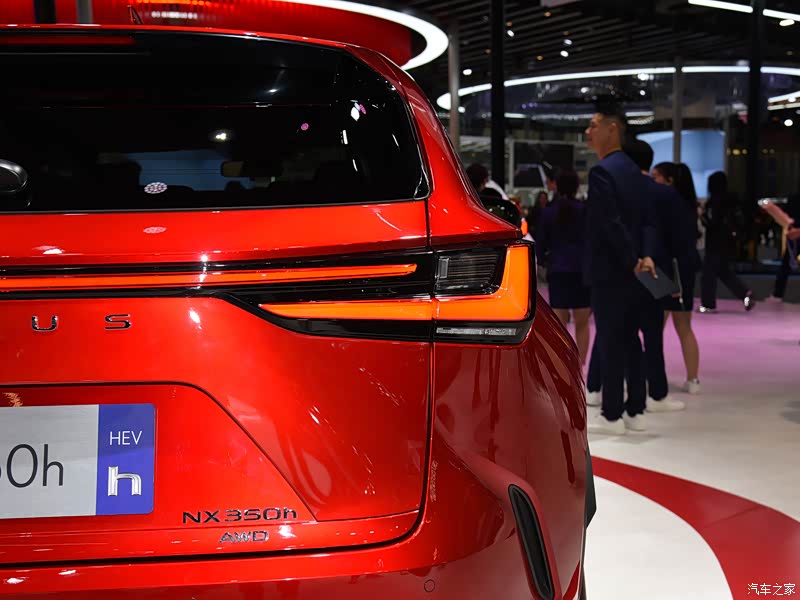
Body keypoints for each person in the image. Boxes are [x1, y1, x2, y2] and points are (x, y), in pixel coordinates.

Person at [583, 104, 657, 435]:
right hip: (637, 271)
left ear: (612, 129)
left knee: (611, 340)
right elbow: (649, 222)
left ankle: (612, 414)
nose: (588, 131)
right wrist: (645, 257)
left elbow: (609, 223)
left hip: (612, 271)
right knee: (631, 339)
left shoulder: (602, 172)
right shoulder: (635, 172)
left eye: (594, 125)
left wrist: (630, 259)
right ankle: (635, 409)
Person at [652, 162, 703, 395]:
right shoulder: (688, 205)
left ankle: (655, 379)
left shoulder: (666, 203)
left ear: (669, 180)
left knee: (657, 327)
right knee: (683, 326)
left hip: (668, 269)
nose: (653, 181)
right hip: (683, 269)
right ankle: (693, 379)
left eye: (657, 177)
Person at [536, 169, 592, 365]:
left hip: (558, 269)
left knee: (560, 324)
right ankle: (581, 365)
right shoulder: (585, 211)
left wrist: (542, 262)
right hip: (582, 270)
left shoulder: (548, 212)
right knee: (582, 322)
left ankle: (563, 365)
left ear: (557, 186)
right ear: (577, 187)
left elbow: (541, 243)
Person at [699, 171, 755, 313]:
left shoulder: (714, 201)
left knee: (709, 274)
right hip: (728, 242)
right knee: (724, 272)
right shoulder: (732, 200)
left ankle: (708, 304)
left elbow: (712, 223)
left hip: (714, 242)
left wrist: (702, 215)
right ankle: (745, 294)